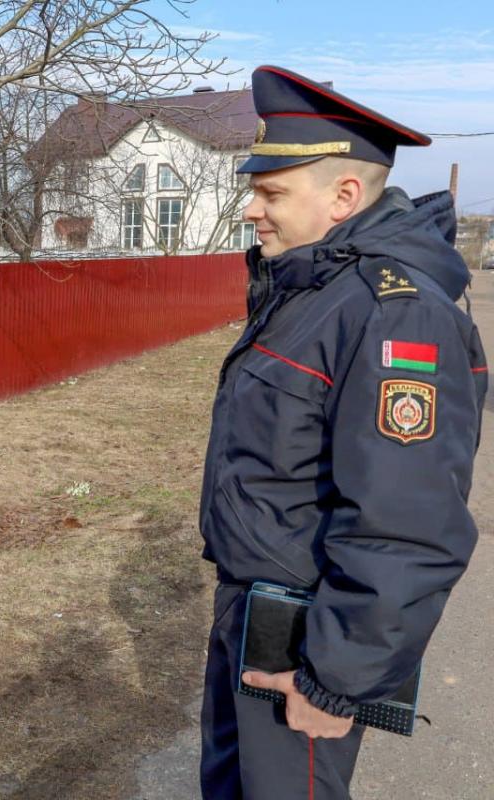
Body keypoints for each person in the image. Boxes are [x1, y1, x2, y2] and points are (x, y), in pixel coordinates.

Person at [199, 65, 487, 799]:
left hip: (306, 639)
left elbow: (408, 523)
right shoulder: (312, 289)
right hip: (251, 612)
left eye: (271, 194)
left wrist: (335, 679)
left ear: (344, 196)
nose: (252, 210)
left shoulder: (394, 313)